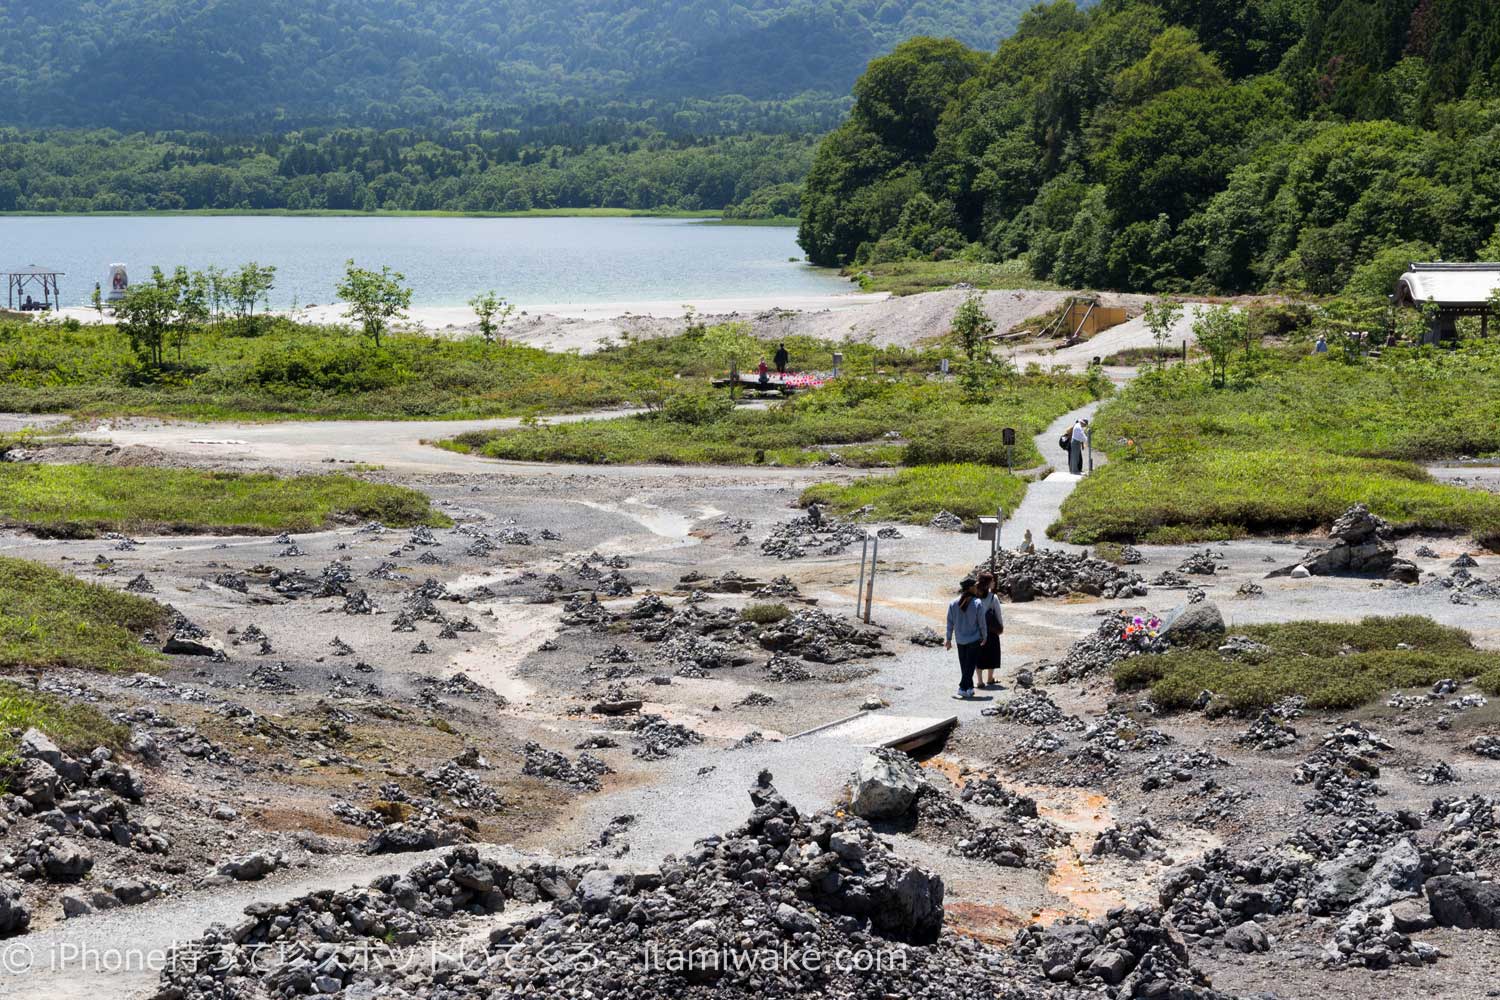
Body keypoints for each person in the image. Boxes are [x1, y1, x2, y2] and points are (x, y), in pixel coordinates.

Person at [945, 577, 988, 699]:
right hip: (973, 639)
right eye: (975, 586)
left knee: (965, 665)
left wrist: (948, 639)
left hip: (960, 640)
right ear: (970, 588)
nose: (976, 588)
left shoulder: (953, 603)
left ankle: (969, 688)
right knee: (970, 665)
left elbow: (949, 623)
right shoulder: (977, 603)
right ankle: (962, 687)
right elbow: (982, 622)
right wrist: (984, 636)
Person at [975, 572, 1004, 688]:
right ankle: (990, 678)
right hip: (991, 631)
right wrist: (1000, 627)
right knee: (992, 653)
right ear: (988, 584)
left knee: (978, 655)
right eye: (992, 581)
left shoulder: (975, 596)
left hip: (977, 631)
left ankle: (979, 681)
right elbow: (998, 614)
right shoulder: (993, 597)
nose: (994, 582)